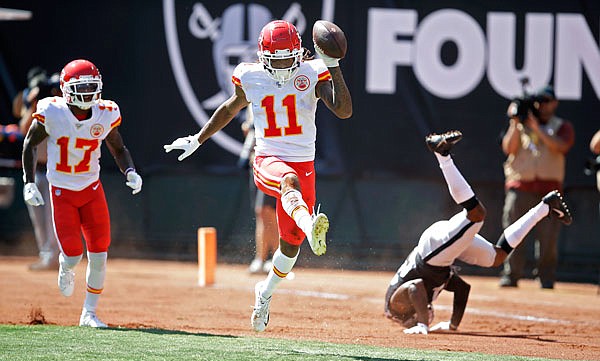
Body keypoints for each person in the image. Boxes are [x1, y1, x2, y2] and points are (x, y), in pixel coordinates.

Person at [164, 20, 352, 332]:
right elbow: (228, 108)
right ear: (262, 56)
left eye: (286, 58)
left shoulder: (313, 72)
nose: (281, 67)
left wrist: (333, 65)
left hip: (304, 162)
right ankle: (310, 223)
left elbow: (343, 110)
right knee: (287, 181)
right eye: (274, 60)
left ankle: (263, 294)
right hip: (269, 158)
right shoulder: (249, 76)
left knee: (290, 247)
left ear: (298, 53)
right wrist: (198, 139)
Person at [385, 130, 572, 335]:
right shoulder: (429, 287)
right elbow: (463, 289)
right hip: (440, 256)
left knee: (476, 213)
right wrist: (452, 325)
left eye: (424, 315)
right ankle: (545, 208)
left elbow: (415, 288)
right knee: (497, 256)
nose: (430, 315)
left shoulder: (396, 308)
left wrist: (421, 324)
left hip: (433, 251)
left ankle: (442, 156)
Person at [22, 59, 143, 328]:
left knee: (100, 253)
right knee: (74, 254)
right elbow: (30, 143)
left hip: (91, 189)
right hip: (62, 191)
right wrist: (28, 182)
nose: (88, 93)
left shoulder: (105, 112)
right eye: (81, 87)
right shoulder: (52, 112)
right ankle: (66, 266)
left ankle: (88, 313)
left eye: (91, 86)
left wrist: (130, 171)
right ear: (66, 89)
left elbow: (118, 148)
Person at [499, 85, 575, 289]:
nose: (542, 105)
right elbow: (509, 148)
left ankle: (546, 277)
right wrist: (515, 121)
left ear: (555, 103)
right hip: (520, 186)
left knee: (548, 237)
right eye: (538, 101)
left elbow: (561, 146)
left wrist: (537, 128)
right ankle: (511, 274)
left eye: (546, 101)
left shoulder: (561, 126)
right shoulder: (520, 125)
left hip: (549, 191)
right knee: (514, 231)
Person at [16, 70, 62, 270]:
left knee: (54, 217)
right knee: (38, 217)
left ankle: (56, 256)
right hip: (36, 170)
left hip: (55, 170)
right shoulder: (35, 106)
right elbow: (24, 128)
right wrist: (34, 102)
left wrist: (53, 94)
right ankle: (46, 254)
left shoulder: (58, 107)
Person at [239, 108, 278, 275]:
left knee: (266, 210)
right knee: (260, 212)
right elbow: (249, 130)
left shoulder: (271, 98)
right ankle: (260, 259)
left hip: (270, 162)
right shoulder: (250, 104)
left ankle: (278, 260)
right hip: (254, 163)